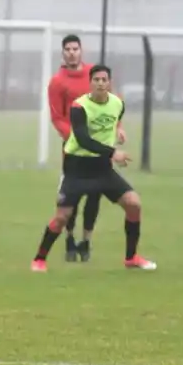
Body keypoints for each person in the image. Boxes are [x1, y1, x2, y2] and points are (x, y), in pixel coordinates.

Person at [31, 64, 156, 273]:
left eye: (104, 80)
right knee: (62, 217)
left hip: (102, 169)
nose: (100, 83)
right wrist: (112, 152)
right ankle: (40, 259)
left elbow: (115, 118)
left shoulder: (118, 103)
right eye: (96, 80)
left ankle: (131, 257)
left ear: (110, 83)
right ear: (90, 84)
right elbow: (82, 139)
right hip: (77, 167)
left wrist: (120, 129)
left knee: (133, 204)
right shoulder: (79, 107)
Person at [48, 35, 126, 262]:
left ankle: (86, 241)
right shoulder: (57, 82)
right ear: (63, 53)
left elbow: (112, 104)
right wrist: (76, 138)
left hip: (101, 149)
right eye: (68, 49)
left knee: (95, 195)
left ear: (81, 51)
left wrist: (118, 127)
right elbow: (58, 117)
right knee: (72, 198)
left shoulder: (94, 75)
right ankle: (70, 238)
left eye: (75, 48)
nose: (72, 52)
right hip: (74, 151)